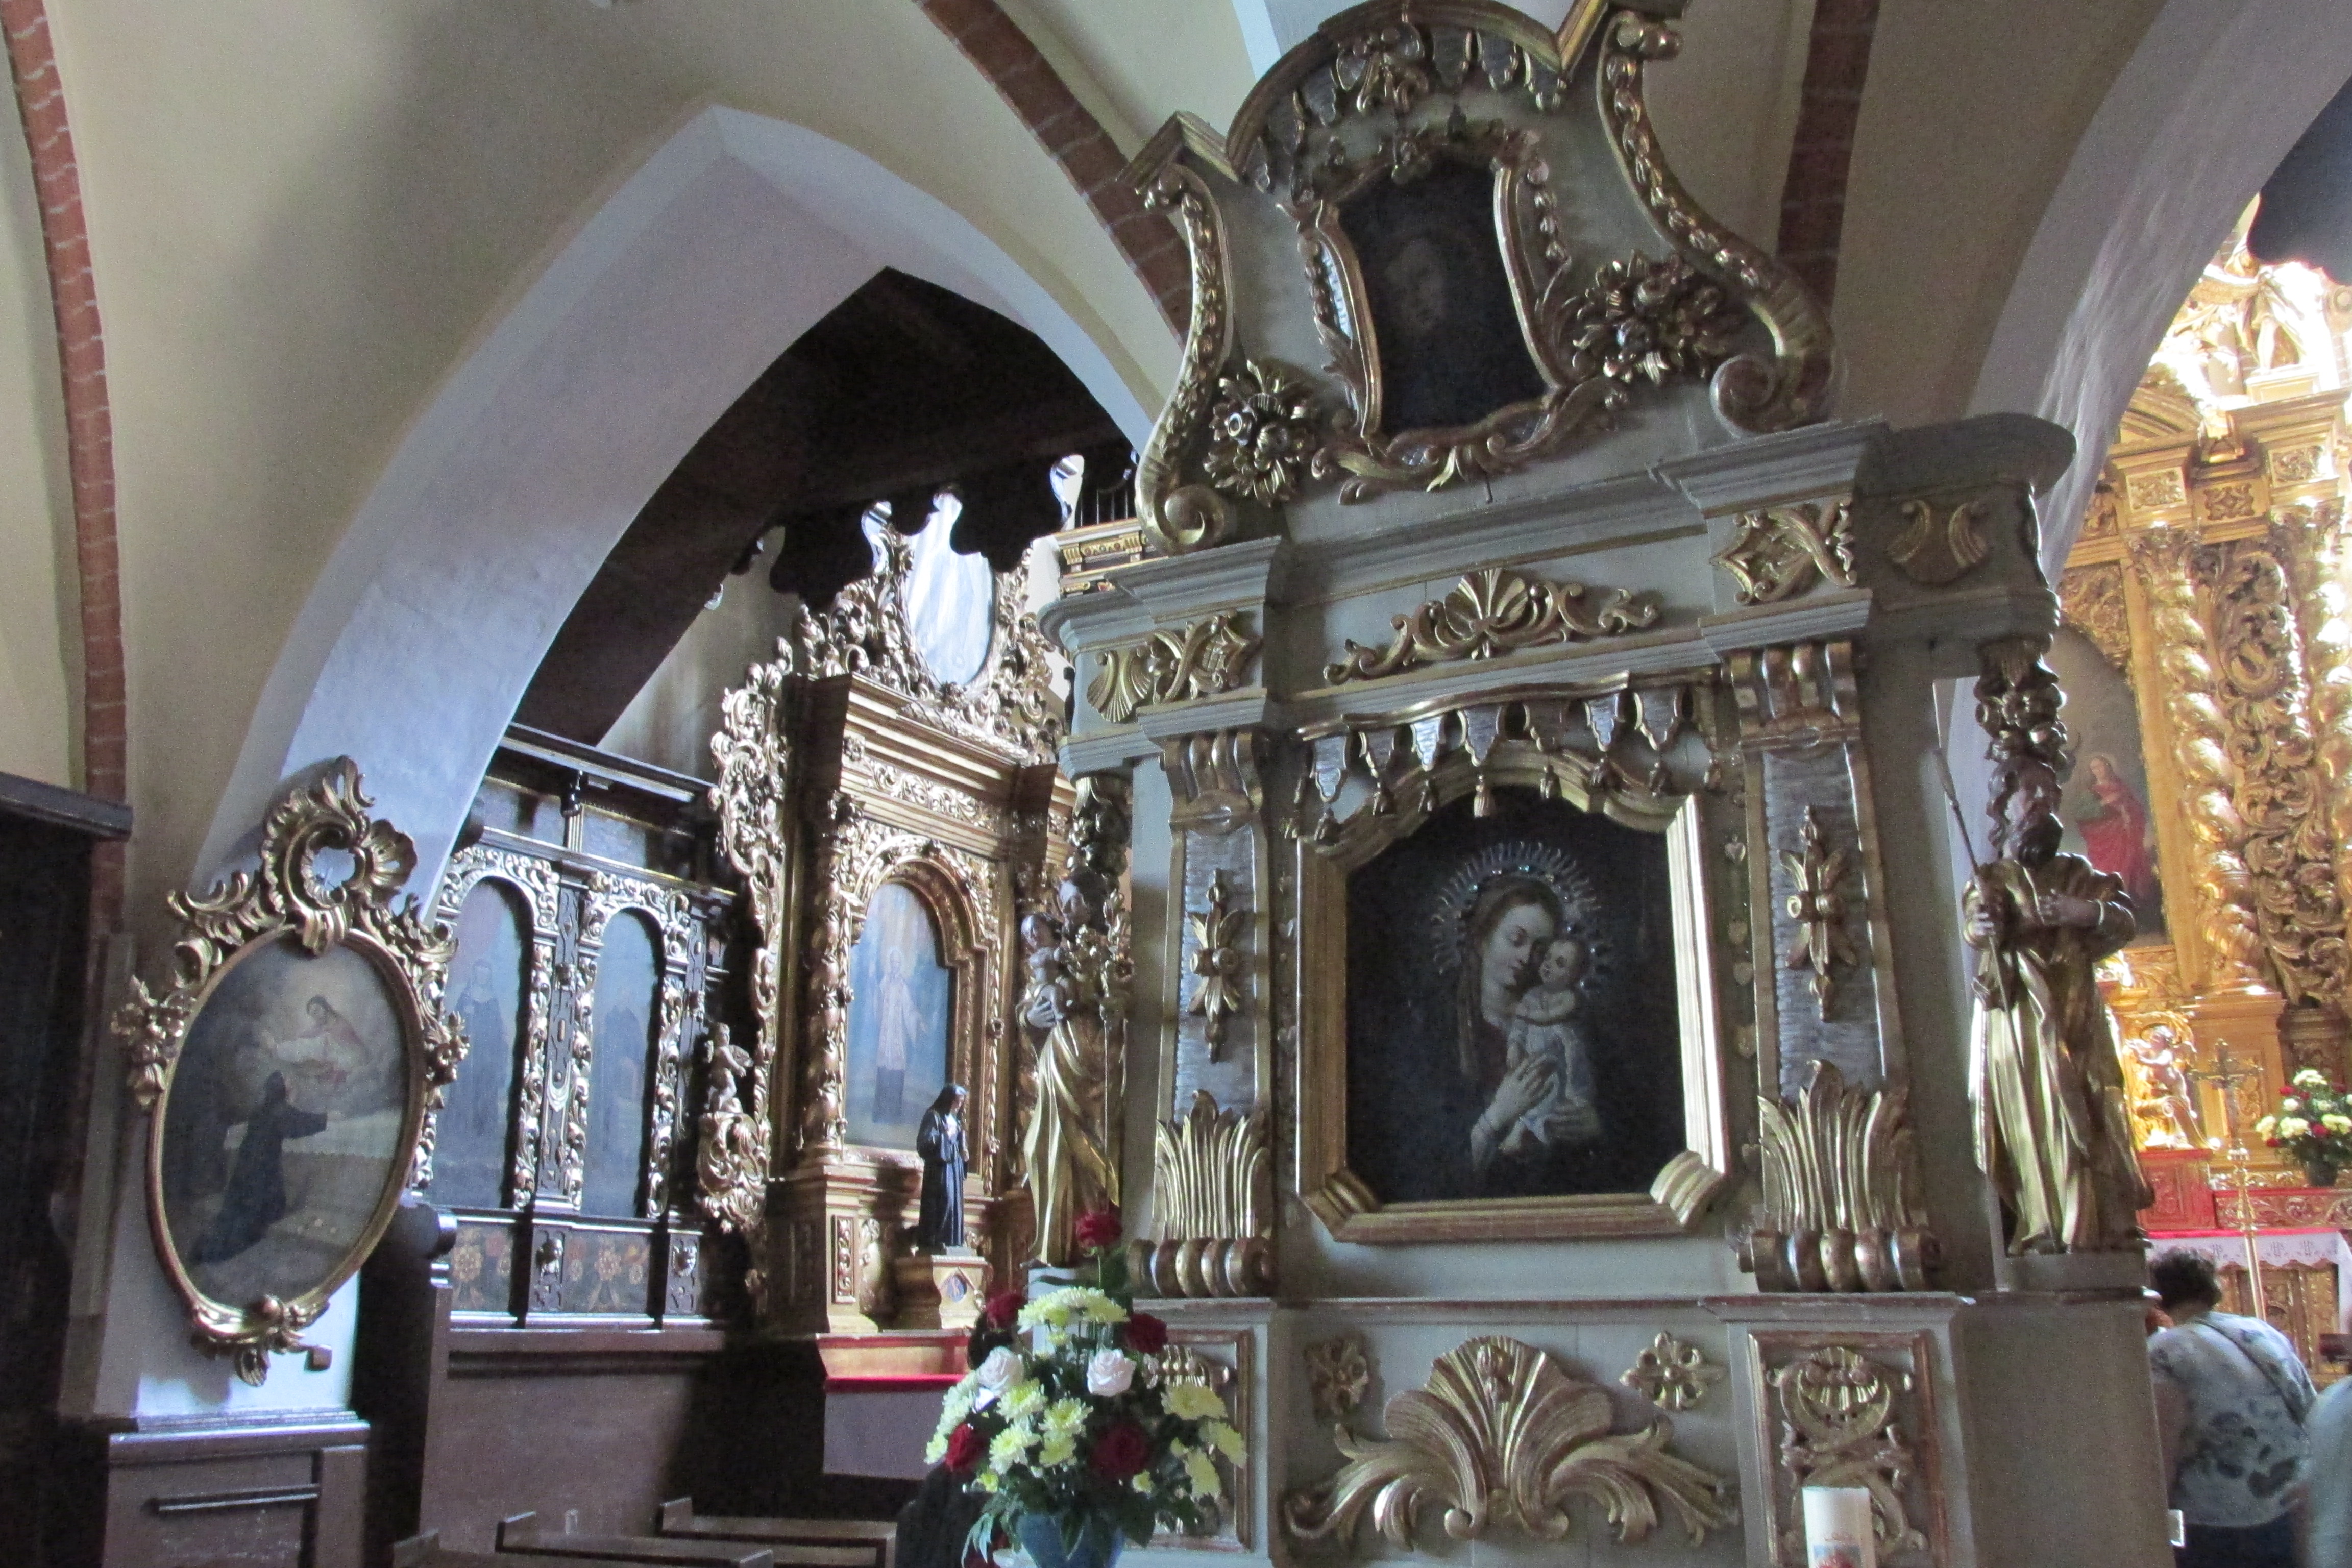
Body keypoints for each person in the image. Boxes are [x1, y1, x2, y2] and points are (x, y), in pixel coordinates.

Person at [2147, 1251, 2313, 1567]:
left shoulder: (2166, 1351)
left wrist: (2154, 1523)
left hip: (2221, 1523)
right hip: (2291, 1505)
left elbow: (2164, 1446)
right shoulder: (2260, 1330)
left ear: (2159, 1298)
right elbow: (2307, 1404)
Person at [191, 1072, 328, 1265]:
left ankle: (217, 1246)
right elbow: (299, 1124)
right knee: (249, 1216)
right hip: (259, 1171)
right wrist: (326, 1119)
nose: (292, 1085)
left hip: (249, 1167)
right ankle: (216, 1250)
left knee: (242, 1213)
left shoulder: (265, 1108)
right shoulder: (279, 1110)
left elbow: (292, 1118)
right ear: (282, 1089)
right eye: (289, 1083)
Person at [1500, 935, 1600, 1156]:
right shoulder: (1532, 994)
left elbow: (1547, 1017)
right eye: (1547, 957)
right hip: (1532, 1061)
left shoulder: (1570, 998)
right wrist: (1514, 1046)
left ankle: (1541, 1135)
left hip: (1558, 1064)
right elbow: (1519, 1028)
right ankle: (1519, 1130)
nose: (1548, 965)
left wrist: (1524, 1012)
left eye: (1560, 963)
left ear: (1575, 975)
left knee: (1549, 1096)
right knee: (1523, 1093)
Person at [913, 1083, 968, 1252]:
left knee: (954, 1204)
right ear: (948, 1099)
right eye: (956, 1101)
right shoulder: (934, 1116)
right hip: (940, 1169)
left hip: (954, 1167)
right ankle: (937, 1239)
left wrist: (964, 1153)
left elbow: (958, 1143)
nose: (958, 1106)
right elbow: (924, 1142)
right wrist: (945, 1136)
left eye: (961, 1102)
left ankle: (952, 1241)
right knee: (944, 1200)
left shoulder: (956, 1120)